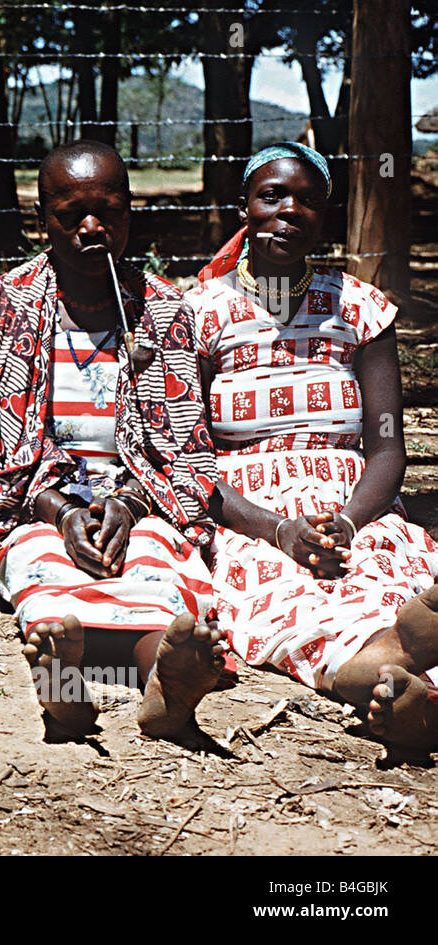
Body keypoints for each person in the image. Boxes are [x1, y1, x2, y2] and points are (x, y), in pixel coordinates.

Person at [0, 141, 224, 743]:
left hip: (142, 502)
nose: (91, 228)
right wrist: (58, 511)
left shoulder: (163, 310)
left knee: (160, 568)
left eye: (108, 211)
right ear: (40, 219)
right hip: (37, 506)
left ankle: (164, 680)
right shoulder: (3, 306)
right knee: (38, 568)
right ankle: (66, 687)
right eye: (70, 213)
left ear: (130, 215)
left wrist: (129, 507)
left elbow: (187, 450)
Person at [188, 142, 438, 755]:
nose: (289, 211)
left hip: (358, 506)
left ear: (323, 215)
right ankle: (397, 671)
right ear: (244, 204)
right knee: (295, 602)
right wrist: (280, 532)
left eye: (307, 201)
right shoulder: (198, 312)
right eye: (272, 196)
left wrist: (349, 523)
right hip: (250, 516)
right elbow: (188, 463)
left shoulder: (358, 307)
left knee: (387, 576)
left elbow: (386, 450)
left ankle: (404, 681)